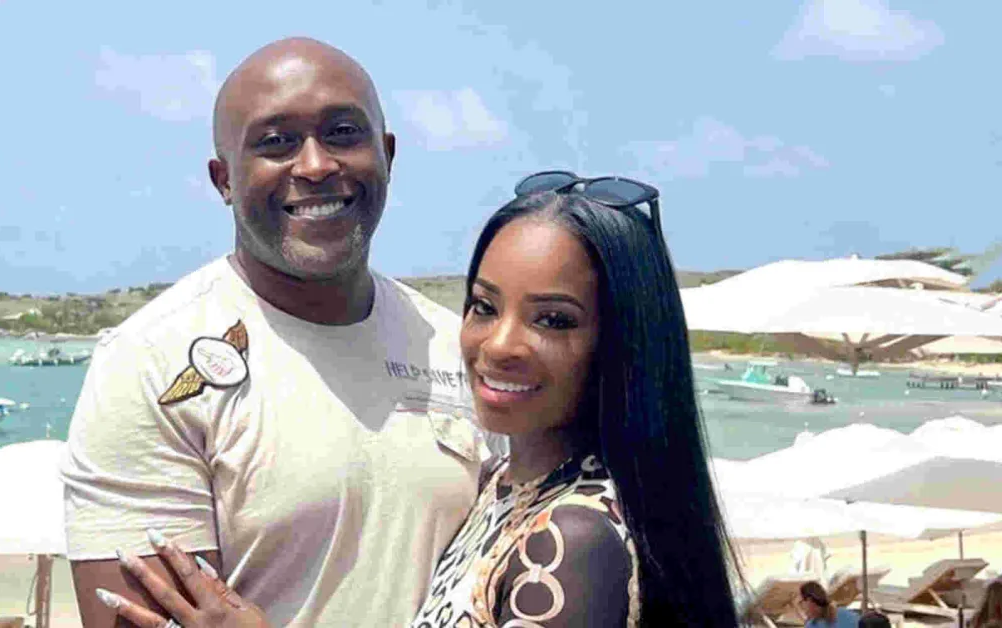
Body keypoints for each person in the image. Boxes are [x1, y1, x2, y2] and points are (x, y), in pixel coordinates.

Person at [100, 173, 745, 626]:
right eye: (484, 307)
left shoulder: (570, 541)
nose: (499, 345)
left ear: (622, 343)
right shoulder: (505, 487)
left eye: (553, 320)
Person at [60, 37, 497, 626]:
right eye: (275, 142)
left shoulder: (458, 345)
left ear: (388, 155)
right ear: (224, 180)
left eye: (343, 132)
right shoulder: (149, 364)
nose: (315, 165)